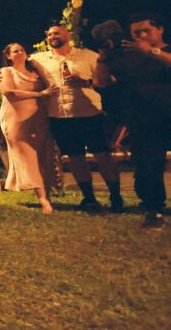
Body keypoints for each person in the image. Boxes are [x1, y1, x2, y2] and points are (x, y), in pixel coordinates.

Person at [30, 24, 122, 212]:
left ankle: (115, 196)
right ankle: (89, 198)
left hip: (90, 114)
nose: (53, 36)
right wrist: (2, 74)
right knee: (75, 157)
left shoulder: (88, 56)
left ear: (68, 34)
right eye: (49, 34)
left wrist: (85, 82)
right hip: (60, 116)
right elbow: (16, 64)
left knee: (103, 155)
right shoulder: (39, 59)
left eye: (57, 33)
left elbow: (109, 80)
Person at [94, 12, 171, 229]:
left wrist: (153, 52)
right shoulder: (125, 58)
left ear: (160, 29)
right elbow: (101, 83)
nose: (142, 35)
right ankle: (153, 209)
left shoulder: (164, 51)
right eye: (137, 32)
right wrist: (103, 57)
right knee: (148, 166)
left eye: (147, 30)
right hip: (144, 120)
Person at [0, 43, 59, 214]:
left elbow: (51, 86)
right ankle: (44, 200)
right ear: (8, 56)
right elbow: (9, 92)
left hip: (39, 118)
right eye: (15, 51)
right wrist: (40, 94)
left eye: (22, 50)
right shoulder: (6, 72)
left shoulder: (36, 72)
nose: (20, 53)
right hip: (16, 119)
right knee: (29, 157)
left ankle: (47, 194)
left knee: (42, 156)